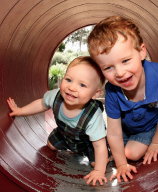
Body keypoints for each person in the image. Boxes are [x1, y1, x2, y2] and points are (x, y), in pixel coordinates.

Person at [87, 15, 158, 183]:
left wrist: (156, 142)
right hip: (126, 129)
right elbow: (115, 131)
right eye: (108, 67)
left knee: (131, 153)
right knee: (101, 151)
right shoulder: (112, 90)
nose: (119, 73)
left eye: (125, 61)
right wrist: (121, 165)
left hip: (150, 128)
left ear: (141, 52)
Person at [7, 56, 111, 186]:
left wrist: (99, 171)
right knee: (50, 145)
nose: (72, 88)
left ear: (96, 93)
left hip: (88, 143)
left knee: (97, 162)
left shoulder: (93, 116)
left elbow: (98, 145)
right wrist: (20, 111)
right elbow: (41, 104)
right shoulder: (55, 96)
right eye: (68, 80)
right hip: (64, 134)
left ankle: (108, 155)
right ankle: (71, 147)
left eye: (82, 85)